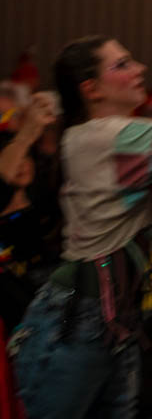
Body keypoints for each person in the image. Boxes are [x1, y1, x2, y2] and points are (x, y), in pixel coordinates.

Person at [7, 37, 152, 419]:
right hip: (80, 314)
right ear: (91, 89)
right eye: (122, 64)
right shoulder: (108, 136)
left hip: (108, 315)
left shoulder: (94, 134)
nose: (140, 69)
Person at [0, 91, 62, 334]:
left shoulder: (45, 203)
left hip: (49, 298)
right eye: (15, 159)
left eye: (27, 157)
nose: (22, 164)